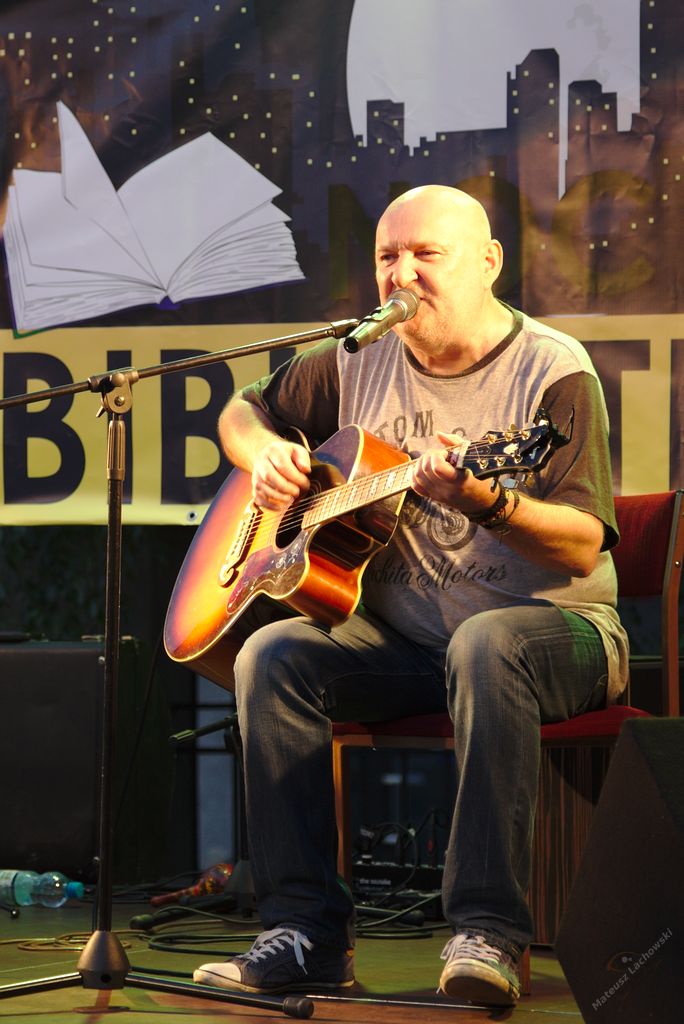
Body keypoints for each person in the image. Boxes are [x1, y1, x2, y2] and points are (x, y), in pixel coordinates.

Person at [193, 185, 628, 1007]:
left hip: (560, 634)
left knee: (486, 644)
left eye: (427, 254)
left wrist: (487, 502)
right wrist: (262, 458)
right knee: (271, 655)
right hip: (408, 646)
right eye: (388, 256)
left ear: (489, 262)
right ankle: (305, 932)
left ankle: (488, 932)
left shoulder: (554, 370)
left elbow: (582, 542)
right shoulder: (355, 357)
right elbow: (243, 411)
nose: (402, 274)